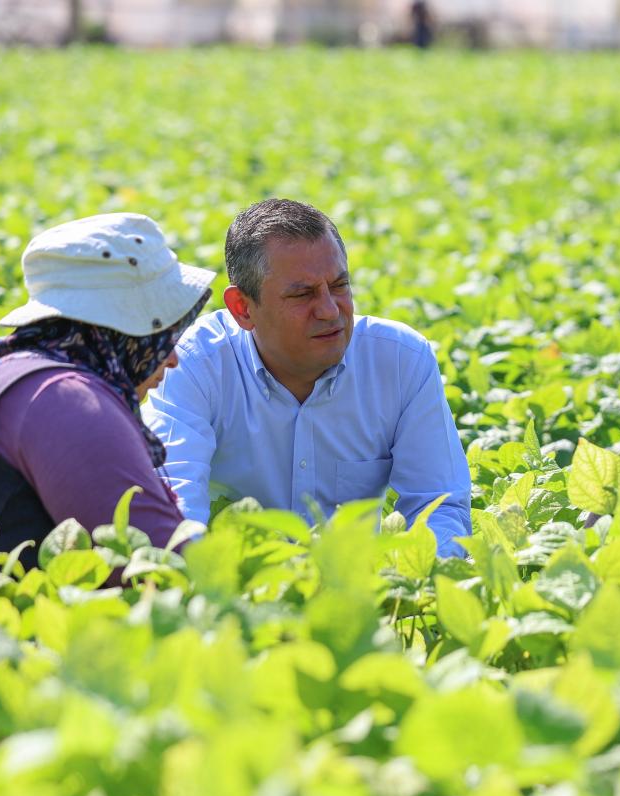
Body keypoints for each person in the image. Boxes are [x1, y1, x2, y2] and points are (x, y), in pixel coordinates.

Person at [143, 198, 471, 556]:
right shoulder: (195, 363)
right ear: (243, 308)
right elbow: (172, 506)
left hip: (356, 590)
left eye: (340, 286)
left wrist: (413, 584)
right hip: (239, 587)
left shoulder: (400, 361)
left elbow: (439, 506)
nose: (331, 311)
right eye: (302, 294)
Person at [0, 213, 213, 566]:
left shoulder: (26, 373)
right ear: (127, 332)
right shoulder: (65, 398)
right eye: (163, 339)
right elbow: (156, 561)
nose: (172, 358)